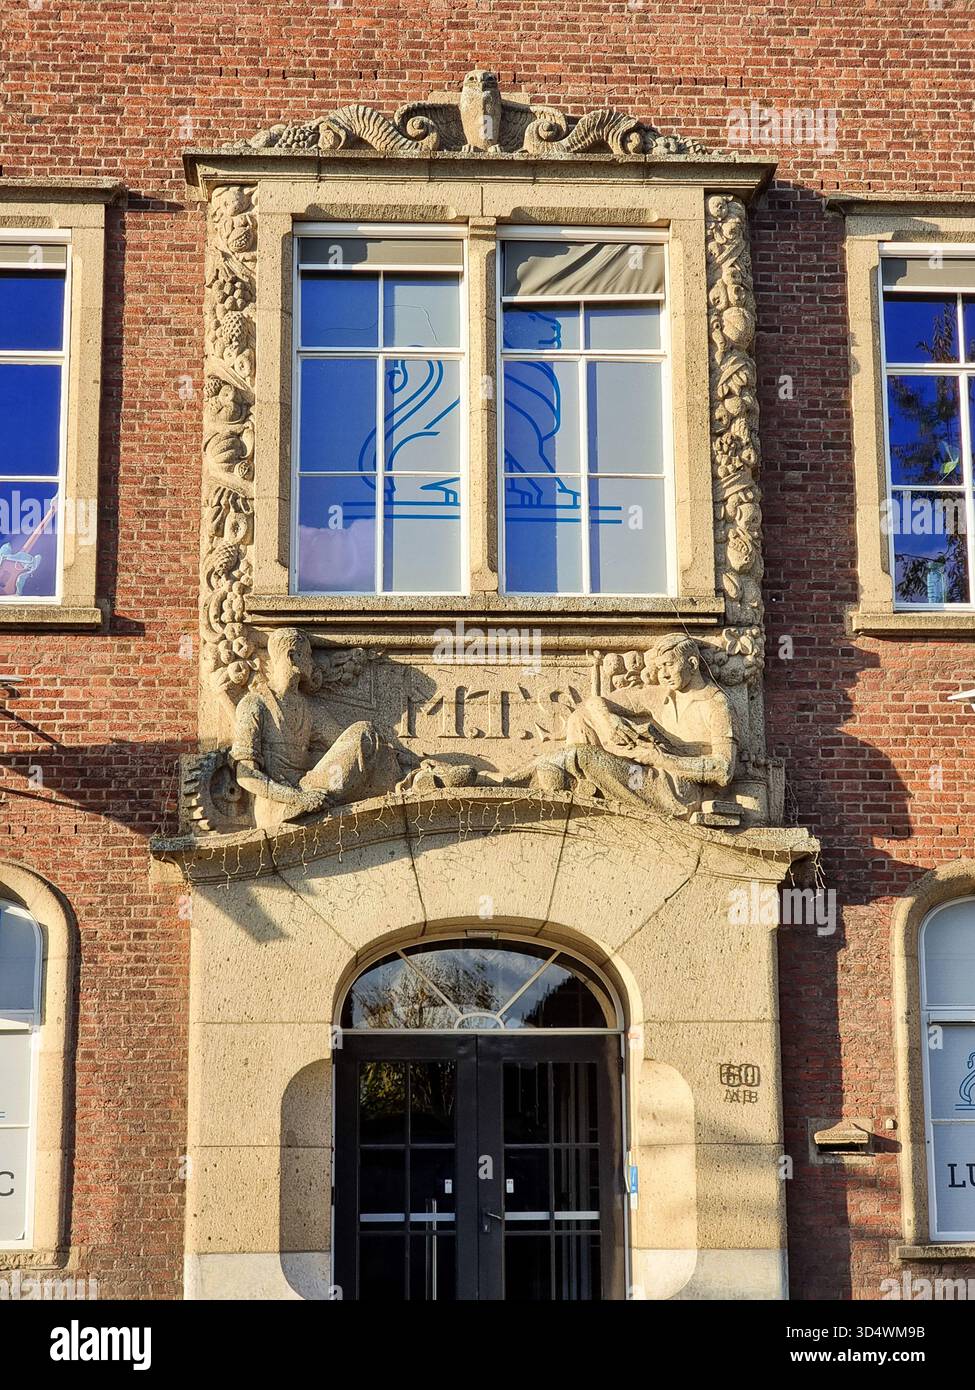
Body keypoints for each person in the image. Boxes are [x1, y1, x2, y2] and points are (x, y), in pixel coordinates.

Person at [231, 627, 399, 829]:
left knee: (365, 736)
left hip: (310, 789)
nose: (312, 663)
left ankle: (411, 779)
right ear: (292, 656)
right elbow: (245, 774)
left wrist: (410, 759)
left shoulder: (308, 709)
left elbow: (346, 744)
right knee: (365, 733)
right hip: (281, 806)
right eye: (308, 656)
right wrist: (298, 798)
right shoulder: (254, 704)